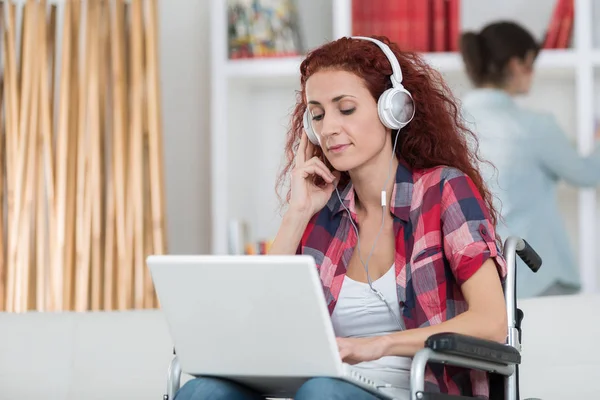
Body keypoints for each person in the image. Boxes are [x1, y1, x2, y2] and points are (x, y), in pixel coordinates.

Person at [176, 35, 508, 400]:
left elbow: (492, 323)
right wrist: (297, 214)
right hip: (323, 388)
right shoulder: (324, 215)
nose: (328, 127)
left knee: (321, 392)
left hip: (417, 391)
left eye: (345, 109)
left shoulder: (442, 191)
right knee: (203, 390)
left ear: (393, 110)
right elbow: (260, 325)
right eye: (317, 114)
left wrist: (376, 346)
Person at [459, 21, 599, 299]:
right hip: (537, 276)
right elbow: (587, 174)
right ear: (516, 65)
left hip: (476, 281)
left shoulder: (451, 128)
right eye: (532, 64)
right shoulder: (533, 127)